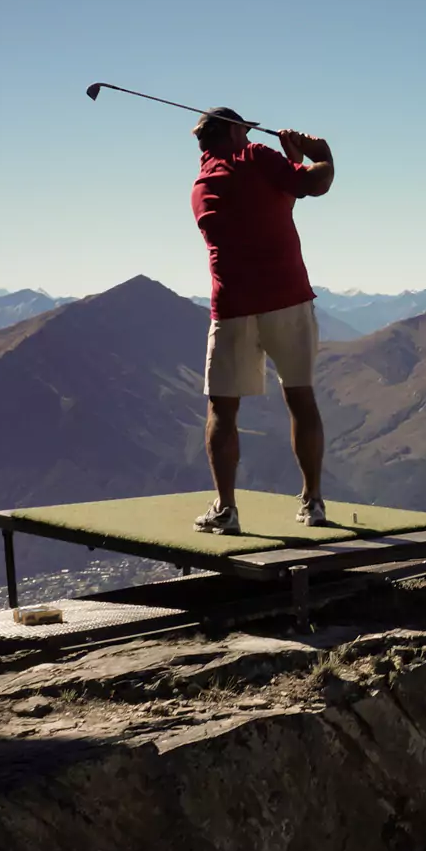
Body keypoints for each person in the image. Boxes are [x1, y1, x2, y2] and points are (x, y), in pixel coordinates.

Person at [188, 107, 335, 533]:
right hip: (287, 298)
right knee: (300, 398)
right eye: (247, 130)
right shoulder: (255, 157)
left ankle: (226, 509)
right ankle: (313, 502)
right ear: (236, 132)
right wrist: (321, 154)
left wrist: (288, 163)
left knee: (222, 409)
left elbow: (266, 205)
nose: (252, 137)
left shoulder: (202, 187)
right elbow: (315, 184)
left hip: (232, 306)